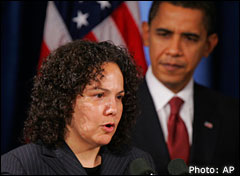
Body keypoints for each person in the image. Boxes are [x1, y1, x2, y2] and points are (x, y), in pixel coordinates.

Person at [1, 40, 156, 175]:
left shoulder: (138, 164)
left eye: (119, 97)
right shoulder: (21, 165)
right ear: (65, 99)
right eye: (99, 95)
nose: (113, 109)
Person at [133, 1, 239, 175]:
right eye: (164, 34)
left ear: (209, 45)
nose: (174, 50)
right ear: (146, 34)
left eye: (190, 38)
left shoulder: (233, 116)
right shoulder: (112, 110)